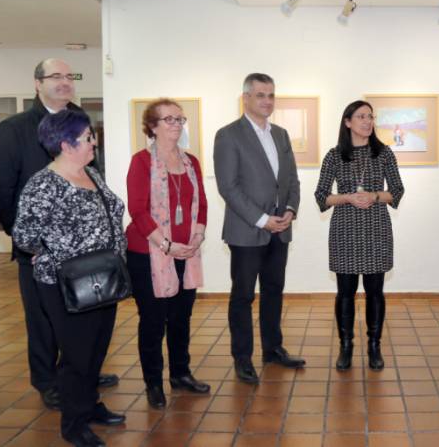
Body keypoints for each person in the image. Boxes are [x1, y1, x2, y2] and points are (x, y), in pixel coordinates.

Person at [0, 58, 117, 411]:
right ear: (37, 83)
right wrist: (28, 240)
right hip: (40, 254)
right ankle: (47, 381)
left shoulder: (80, 120)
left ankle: (78, 371)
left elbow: (92, 175)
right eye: (55, 76)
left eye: (69, 76)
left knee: (83, 315)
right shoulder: (14, 129)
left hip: (85, 256)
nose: (64, 82)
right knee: (43, 320)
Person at [12, 109, 126, 447]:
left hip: (103, 277)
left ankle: (90, 405)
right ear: (65, 144)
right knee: (77, 355)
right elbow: (24, 235)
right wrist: (55, 253)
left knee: (96, 349)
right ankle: (74, 424)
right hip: (66, 284)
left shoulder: (91, 173)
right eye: (88, 137)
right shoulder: (43, 184)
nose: (94, 142)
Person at [213, 73, 305, 384]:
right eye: (260, 95)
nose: (267, 101)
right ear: (246, 98)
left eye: (271, 95)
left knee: (273, 291)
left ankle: (272, 349)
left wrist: (290, 210)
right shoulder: (228, 135)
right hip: (247, 231)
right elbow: (228, 187)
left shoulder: (281, 134)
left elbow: (291, 180)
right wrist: (263, 219)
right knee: (242, 296)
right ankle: (242, 358)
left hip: (281, 228)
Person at [125, 98, 209, 409]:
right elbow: (137, 210)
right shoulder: (141, 162)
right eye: (169, 119)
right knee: (153, 321)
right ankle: (153, 383)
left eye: (180, 119)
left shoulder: (191, 162)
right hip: (148, 254)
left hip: (186, 252)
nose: (176, 124)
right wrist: (167, 245)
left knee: (180, 318)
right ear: (152, 126)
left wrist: (197, 236)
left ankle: (180, 374)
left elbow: (202, 203)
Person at [315, 100, 404, 371]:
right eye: (361, 116)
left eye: (370, 116)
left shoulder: (384, 153)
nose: (367, 121)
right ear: (348, 122)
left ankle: (374, 346)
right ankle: (346, 346)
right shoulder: (334, 155)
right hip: (344, 231)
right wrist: (348, 198)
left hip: (377, 229)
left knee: (375, 292)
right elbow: (321, 196)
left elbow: (397, 191)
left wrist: (374, 196)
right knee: (345, 292)